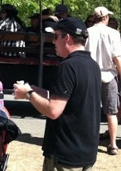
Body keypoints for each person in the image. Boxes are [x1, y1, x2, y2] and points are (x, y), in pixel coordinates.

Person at [13, 17, 101, 171]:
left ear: (67, 38)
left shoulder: (67, 66)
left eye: (55, 37)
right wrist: (38, 91)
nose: (53, 42)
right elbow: (73, 99)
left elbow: (54, 111)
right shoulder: (92, 65)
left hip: (65, 155)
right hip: (85, 153)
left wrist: (28, 94)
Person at [84, 6, 121, 156]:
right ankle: (113, 144)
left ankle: (89, 141)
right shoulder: (114, 33)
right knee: (111, 112)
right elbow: (117, 57)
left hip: (91, 74)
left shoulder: (87, 32)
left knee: (90, 110)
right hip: (109, 75)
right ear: (106, 18)